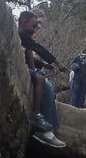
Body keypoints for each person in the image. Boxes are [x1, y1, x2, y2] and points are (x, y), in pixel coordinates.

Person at [17, 11, 67, 148]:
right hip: (20, 67)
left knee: (47, 85)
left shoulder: (24, 35)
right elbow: (38, 48)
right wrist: (57, 62)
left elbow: (30, 56)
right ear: (23, 22)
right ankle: (41, 121)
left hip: (29, 68)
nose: (35, 29)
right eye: (33, 26)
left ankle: (49, 129)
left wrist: (43, 65)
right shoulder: (20, 33)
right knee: (44, 83)